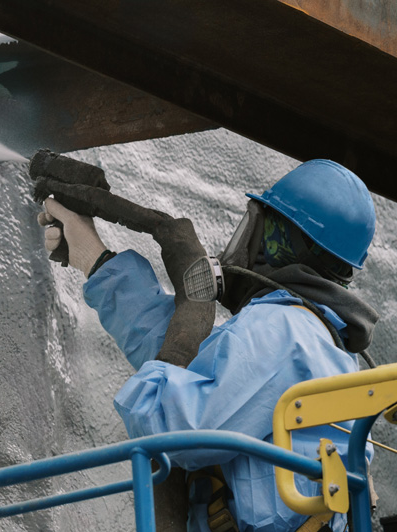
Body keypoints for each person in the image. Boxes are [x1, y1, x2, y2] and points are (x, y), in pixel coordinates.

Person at [38, 159, 378, 532]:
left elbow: (172, 428)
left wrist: (196, 301)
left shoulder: (283, 329)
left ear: (281, 240)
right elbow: (183, 362)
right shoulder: (313, 337)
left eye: (255, 225)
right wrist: (95, 258)